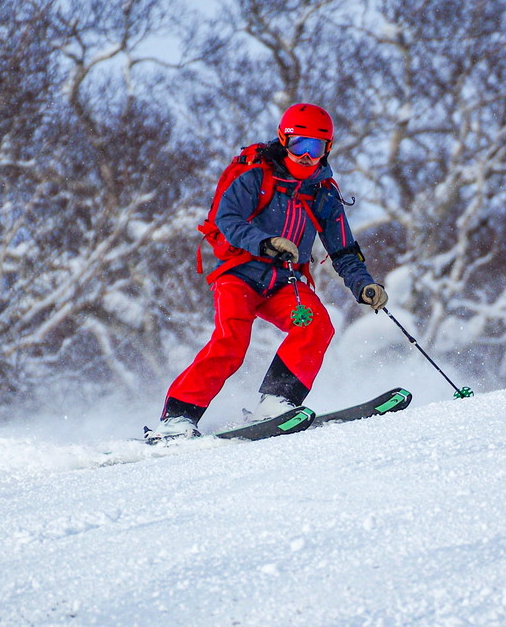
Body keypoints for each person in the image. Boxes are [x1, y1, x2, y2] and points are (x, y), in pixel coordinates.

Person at [150, 103, 388, 439]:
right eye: (299, 146)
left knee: (317, 326)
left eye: (315, 148)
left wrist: (363, 285)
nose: (306, 156)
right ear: (283, 141)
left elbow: (344, 250)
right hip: (239, 274)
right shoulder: (255, 177)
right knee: (230, 342)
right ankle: (177, 418)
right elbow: (226, 219)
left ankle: (277, 401)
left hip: (284, 284)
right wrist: (265, 242)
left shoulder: (323, 193)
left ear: (327, 149)